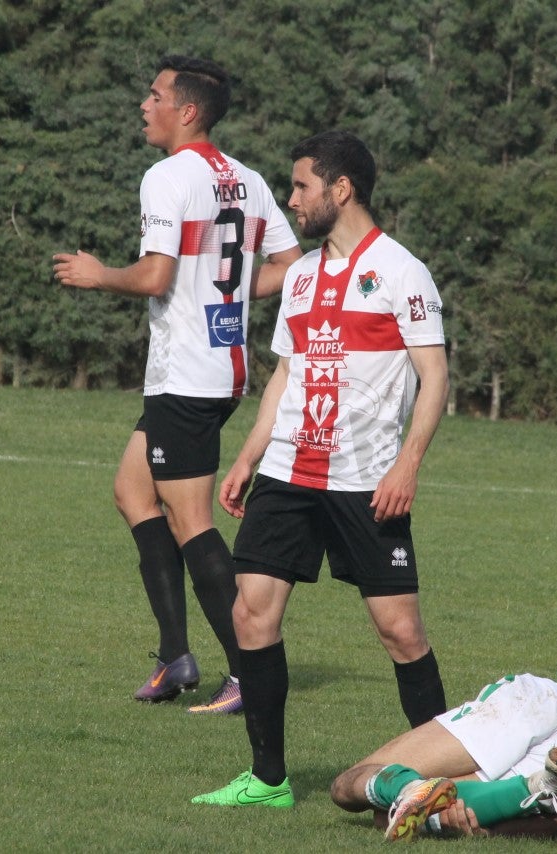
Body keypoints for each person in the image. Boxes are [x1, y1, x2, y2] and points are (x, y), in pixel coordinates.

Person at [192, 130, 449, 808]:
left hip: (367, 481)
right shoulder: (302, 275)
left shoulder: (401, 271)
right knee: (252, 614)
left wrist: (407, 465)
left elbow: (434, 375)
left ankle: (449, 776)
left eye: (302, 185)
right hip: (288, 473)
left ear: (342, 189)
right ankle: (268, 780)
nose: (292, 198)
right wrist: (249, 455)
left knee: (401, 632)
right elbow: (287, 374)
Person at [52, 56, 302, 714]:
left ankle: (247, 674)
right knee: (132, 492)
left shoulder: (166, 177)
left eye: (155, 95)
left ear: (186, 111)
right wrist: (227, 292)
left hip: (187, 375)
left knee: (191, 521)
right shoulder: (248, 180)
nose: (145, 105)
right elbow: (292, 264)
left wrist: (99, 275)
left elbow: (156, 276)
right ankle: (176, 657)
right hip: (219, 371)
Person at [329, 437, 557, 842]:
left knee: (349, 787)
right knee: (386, 814)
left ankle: (417, 791)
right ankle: (531, 789)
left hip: (556, 708)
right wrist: (487, 828)